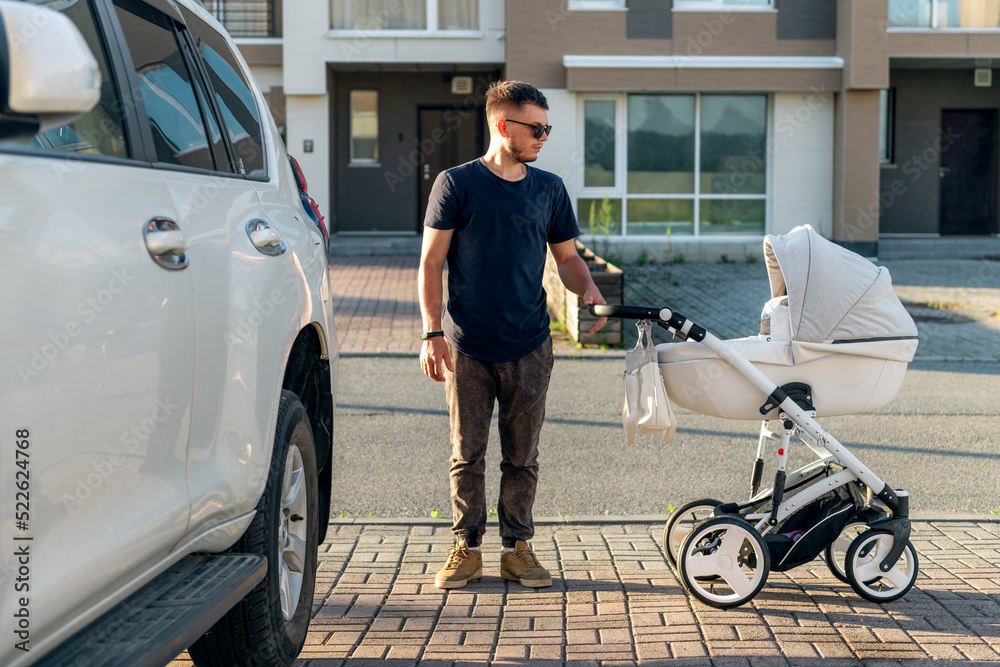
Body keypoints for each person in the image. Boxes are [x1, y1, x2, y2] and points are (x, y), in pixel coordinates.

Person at [418, 80, 607, 590]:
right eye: (536, 128)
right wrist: (432, 333)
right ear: (503, 126)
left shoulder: (549, 189)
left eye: (547, 128)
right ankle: (467, 547)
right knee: (467, 453)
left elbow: (567, 258)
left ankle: (517, 549)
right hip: (467, 345)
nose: (544, 137)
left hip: (530, 344)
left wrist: (589, 288)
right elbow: (431, 263)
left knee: (522, 455)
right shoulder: (456, 184)